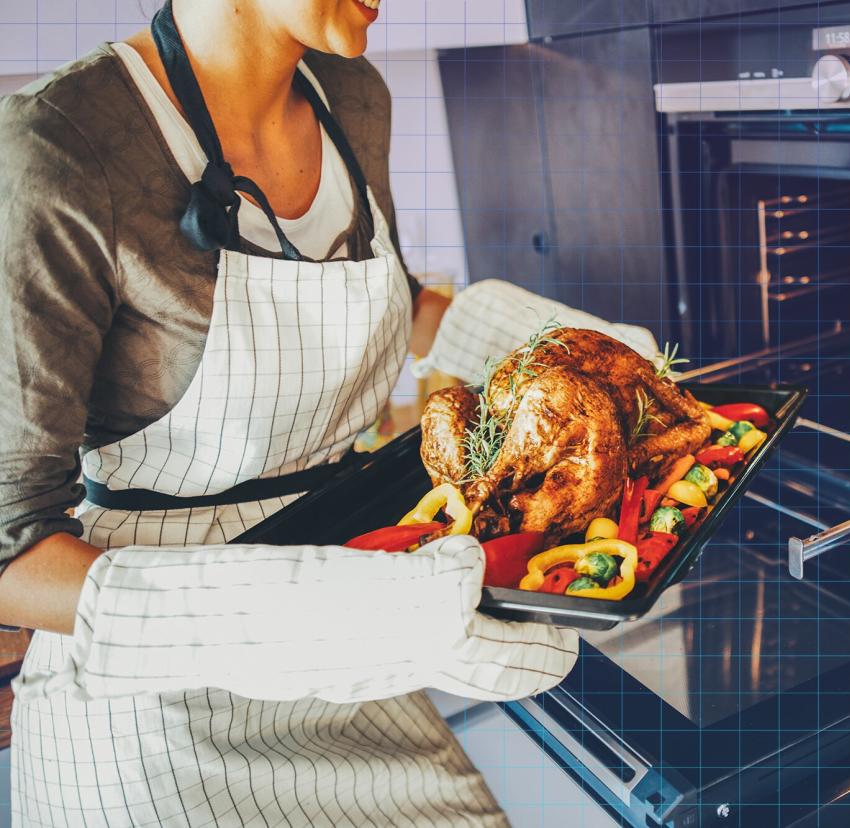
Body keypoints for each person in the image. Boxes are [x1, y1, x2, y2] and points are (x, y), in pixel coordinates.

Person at [0, 1, 651, 824]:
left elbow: (388, 299)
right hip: (154, 704)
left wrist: (563, 350)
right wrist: (324, 615)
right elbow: (12, 553)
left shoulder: (351, 92)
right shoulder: (59, 145)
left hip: (358, 630)